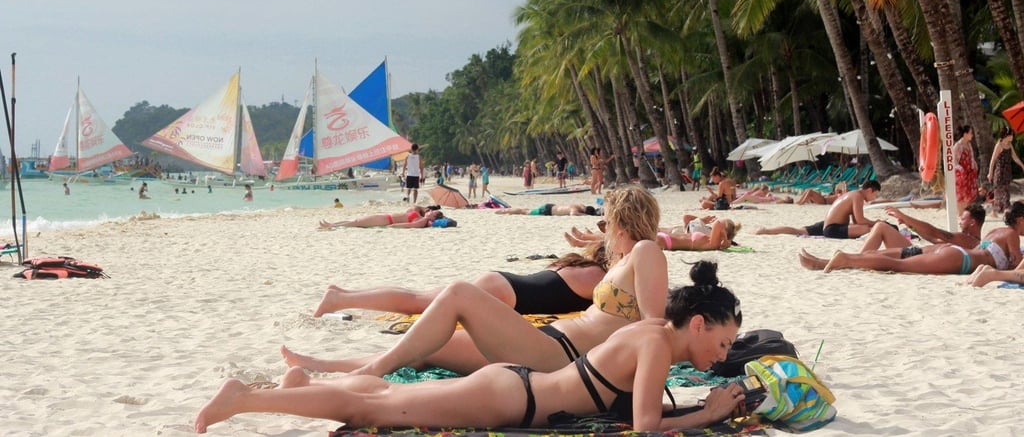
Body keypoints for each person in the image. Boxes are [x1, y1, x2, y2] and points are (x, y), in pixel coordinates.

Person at [195, 261, 743, 434]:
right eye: (723, 341)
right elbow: (646, 429)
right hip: (512, 398)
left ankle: (307, 386)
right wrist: (709, 413)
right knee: (373, 410)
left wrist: (701, 407)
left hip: (516, 388)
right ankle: (243, 399)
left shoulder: (651, 340)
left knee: (384, 398)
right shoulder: (651, 342)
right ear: (696, 324)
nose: (723, 353)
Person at [281, 185, 667, 377]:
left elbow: (653, 324)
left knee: (457, 295)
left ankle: (367, 369)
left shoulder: (646, 251)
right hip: (551, 343)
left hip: (560, 353)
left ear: (621, 220)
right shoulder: (627, 258)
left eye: (608, 221)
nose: (605, 229)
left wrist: (616, 367)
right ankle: (327, 366)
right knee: (432, 346)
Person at [313, 243, 609, 318]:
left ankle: (343, 294)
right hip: (506, 293)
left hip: (503, 285)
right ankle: (340, 299)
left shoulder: (582, 266)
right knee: (419, 303)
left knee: (420, 296)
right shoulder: (599, 277)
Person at [799, 200, 1024, 274]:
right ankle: (846, 259)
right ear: (1020, 220)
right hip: (960, 259)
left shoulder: (993, 233)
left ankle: (826, 262)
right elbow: (1014, 269)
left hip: (949, 251)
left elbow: (938, 235)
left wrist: (907, 220)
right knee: (898, 264)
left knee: (904, 254)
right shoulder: (1011, 234)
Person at [754, 179, 882, 238]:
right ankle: (765, 231)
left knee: (797, 230)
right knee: (868, 229)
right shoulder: (857, 197)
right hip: (833, 229)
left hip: (827, 224)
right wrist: (877, 223)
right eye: (875, 195)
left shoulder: (853, 194)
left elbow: (856, 221)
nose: (875, 198)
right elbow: (860, 221)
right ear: (870, 190)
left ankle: (766, 231)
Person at [566, 215, 740, 252]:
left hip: (665, 242)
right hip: (665, 240)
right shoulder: (711, 240)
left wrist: (724, 239)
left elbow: (718, 224)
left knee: (625, 238)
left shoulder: (713, 243)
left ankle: (583, 241)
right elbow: (717, 225)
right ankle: (585, 238)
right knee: (624, 236)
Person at [858, 204, 984, 252]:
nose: (960, 222)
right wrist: (910, 226)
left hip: (916, 256)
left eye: (963, 219)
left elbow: (935, 231)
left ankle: (859, 258)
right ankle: (860, 258)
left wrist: (904, 216)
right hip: (918, 253)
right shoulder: (967, 240)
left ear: (972, 222)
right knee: (882, 228)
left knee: (881, 227)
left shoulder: (969, 240)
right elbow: (933, 238)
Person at [987, 127, 1024, 215]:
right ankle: (997, 210)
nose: (1012, 137)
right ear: (1006, 135)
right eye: (1011, 135)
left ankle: (1005, 209)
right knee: (999, 190)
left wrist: (1022, 165)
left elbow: (1014, 157)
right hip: (1000, 171)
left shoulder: (1009, 145)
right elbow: (993, 160)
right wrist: (990, 173)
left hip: (1007, 171)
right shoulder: (999, 145)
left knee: (1006, 190)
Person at [318, 207, 452, 229]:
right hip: (386, 216)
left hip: (387, 221)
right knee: (356, 220)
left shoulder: (422, 221)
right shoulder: (420, 213)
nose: (430, 212)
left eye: (432, 213)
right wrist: (425, 209)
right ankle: (332, 224)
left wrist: (392, 227)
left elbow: (409, 226)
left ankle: (332, 226)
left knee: (357, 222)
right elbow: (415, 206)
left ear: (433, 219)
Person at [953, 125, 978, 215]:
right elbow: (953, 161)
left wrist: (974, 164)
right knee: (961, 194)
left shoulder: (969, 145)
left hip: (969, 173)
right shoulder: (958, 145)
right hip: (961, 174)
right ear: (965, 134)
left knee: (968, 194)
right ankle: (960, 214)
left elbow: (971, 158)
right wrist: (961, 169)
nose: (972, 135)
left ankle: (966, 214)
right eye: (971, 133)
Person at [494, 203, 601, 216]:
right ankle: (506, 211)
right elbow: (573, 214)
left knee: (526, 209)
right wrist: (586, 216)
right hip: (547, 211)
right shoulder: (575, 209)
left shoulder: (580, 205)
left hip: (551, 207)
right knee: (524, 211)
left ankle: (509, 211)